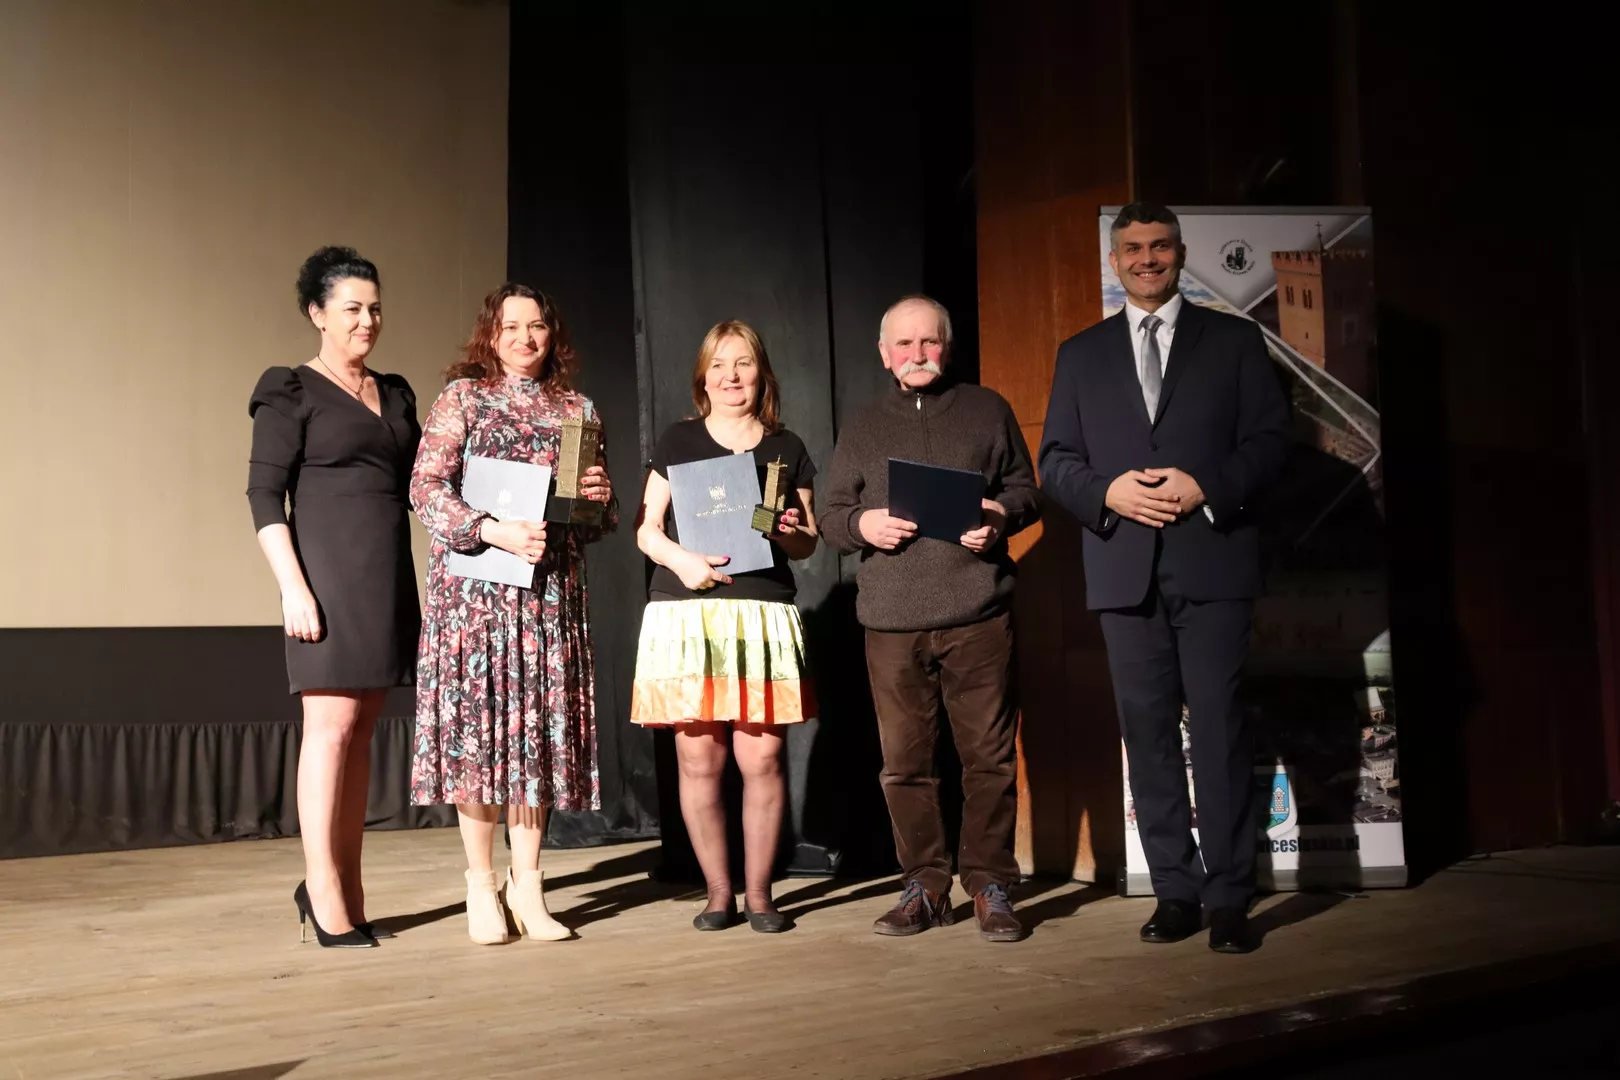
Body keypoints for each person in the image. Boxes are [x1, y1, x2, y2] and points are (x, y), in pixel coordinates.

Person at [1037, 202, 1289, 954]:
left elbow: (1272, 440)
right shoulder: (1080, 354)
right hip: (1124, 570)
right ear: (1114, 261)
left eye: (1159, 247)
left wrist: (1207, 486)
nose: (1146, 259)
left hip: (1214, 563)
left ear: (1179, 254)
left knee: (1218, 732)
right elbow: (1056, 462)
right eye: (1133, 249)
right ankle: (1176, 892)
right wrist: (1107, 494)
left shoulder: (1235, 340)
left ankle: (1230, 900)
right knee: (1146, 737)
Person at [821, 295, 1041, 942]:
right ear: (884, 354)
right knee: (904, 766)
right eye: (904, 344)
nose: (917, 355)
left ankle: (991, 885)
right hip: (892, 621)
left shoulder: (986, 409)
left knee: (989, 760)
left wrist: (999, 516)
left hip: (977, 613)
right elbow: (831, 516)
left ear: (947, 345)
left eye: (929, 342)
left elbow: (1025, 491)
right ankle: (924, 886)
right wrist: (863, 524)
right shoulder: (863, 423)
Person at [409, 284, 616, 945]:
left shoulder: (577, 409)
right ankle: (481, 884)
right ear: (490, 335)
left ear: (553, 336)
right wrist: (491, 530)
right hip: (474, 597)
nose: (525, 338)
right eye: (511, 326)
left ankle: (528, 887)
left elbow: (592, 521)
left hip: (547, 596)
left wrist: (599, 499)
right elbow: (425, 490)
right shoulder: (464, 399)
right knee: (479, 737)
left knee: (535, 738)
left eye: (537, 327)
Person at [247, 246, 421, 949]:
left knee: (361, 735)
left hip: (386, 579)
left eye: (375, 308)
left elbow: (427, 485)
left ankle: (345, 884)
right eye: (351, 308)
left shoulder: (397, 393)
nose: (366, 320)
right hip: (324, 579)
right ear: (317, 313)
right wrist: (293, 588)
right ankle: (321, 891)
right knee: (330, 730)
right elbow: (264, 496)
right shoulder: (290, 389)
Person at [630, 320, 819, 934]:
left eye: (743, 364)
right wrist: (681, 560)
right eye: (718, 365)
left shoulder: (785, 447)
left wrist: (788, 531)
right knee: (697, 761)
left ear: (761, 374)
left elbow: (807, 540)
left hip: (759, 612)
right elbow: (645, 528)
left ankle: (760, 894)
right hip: (687, 614)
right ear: (703, 377)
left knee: (762, 760)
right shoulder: (678, 440)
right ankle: (718, 893)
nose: (731, 376)